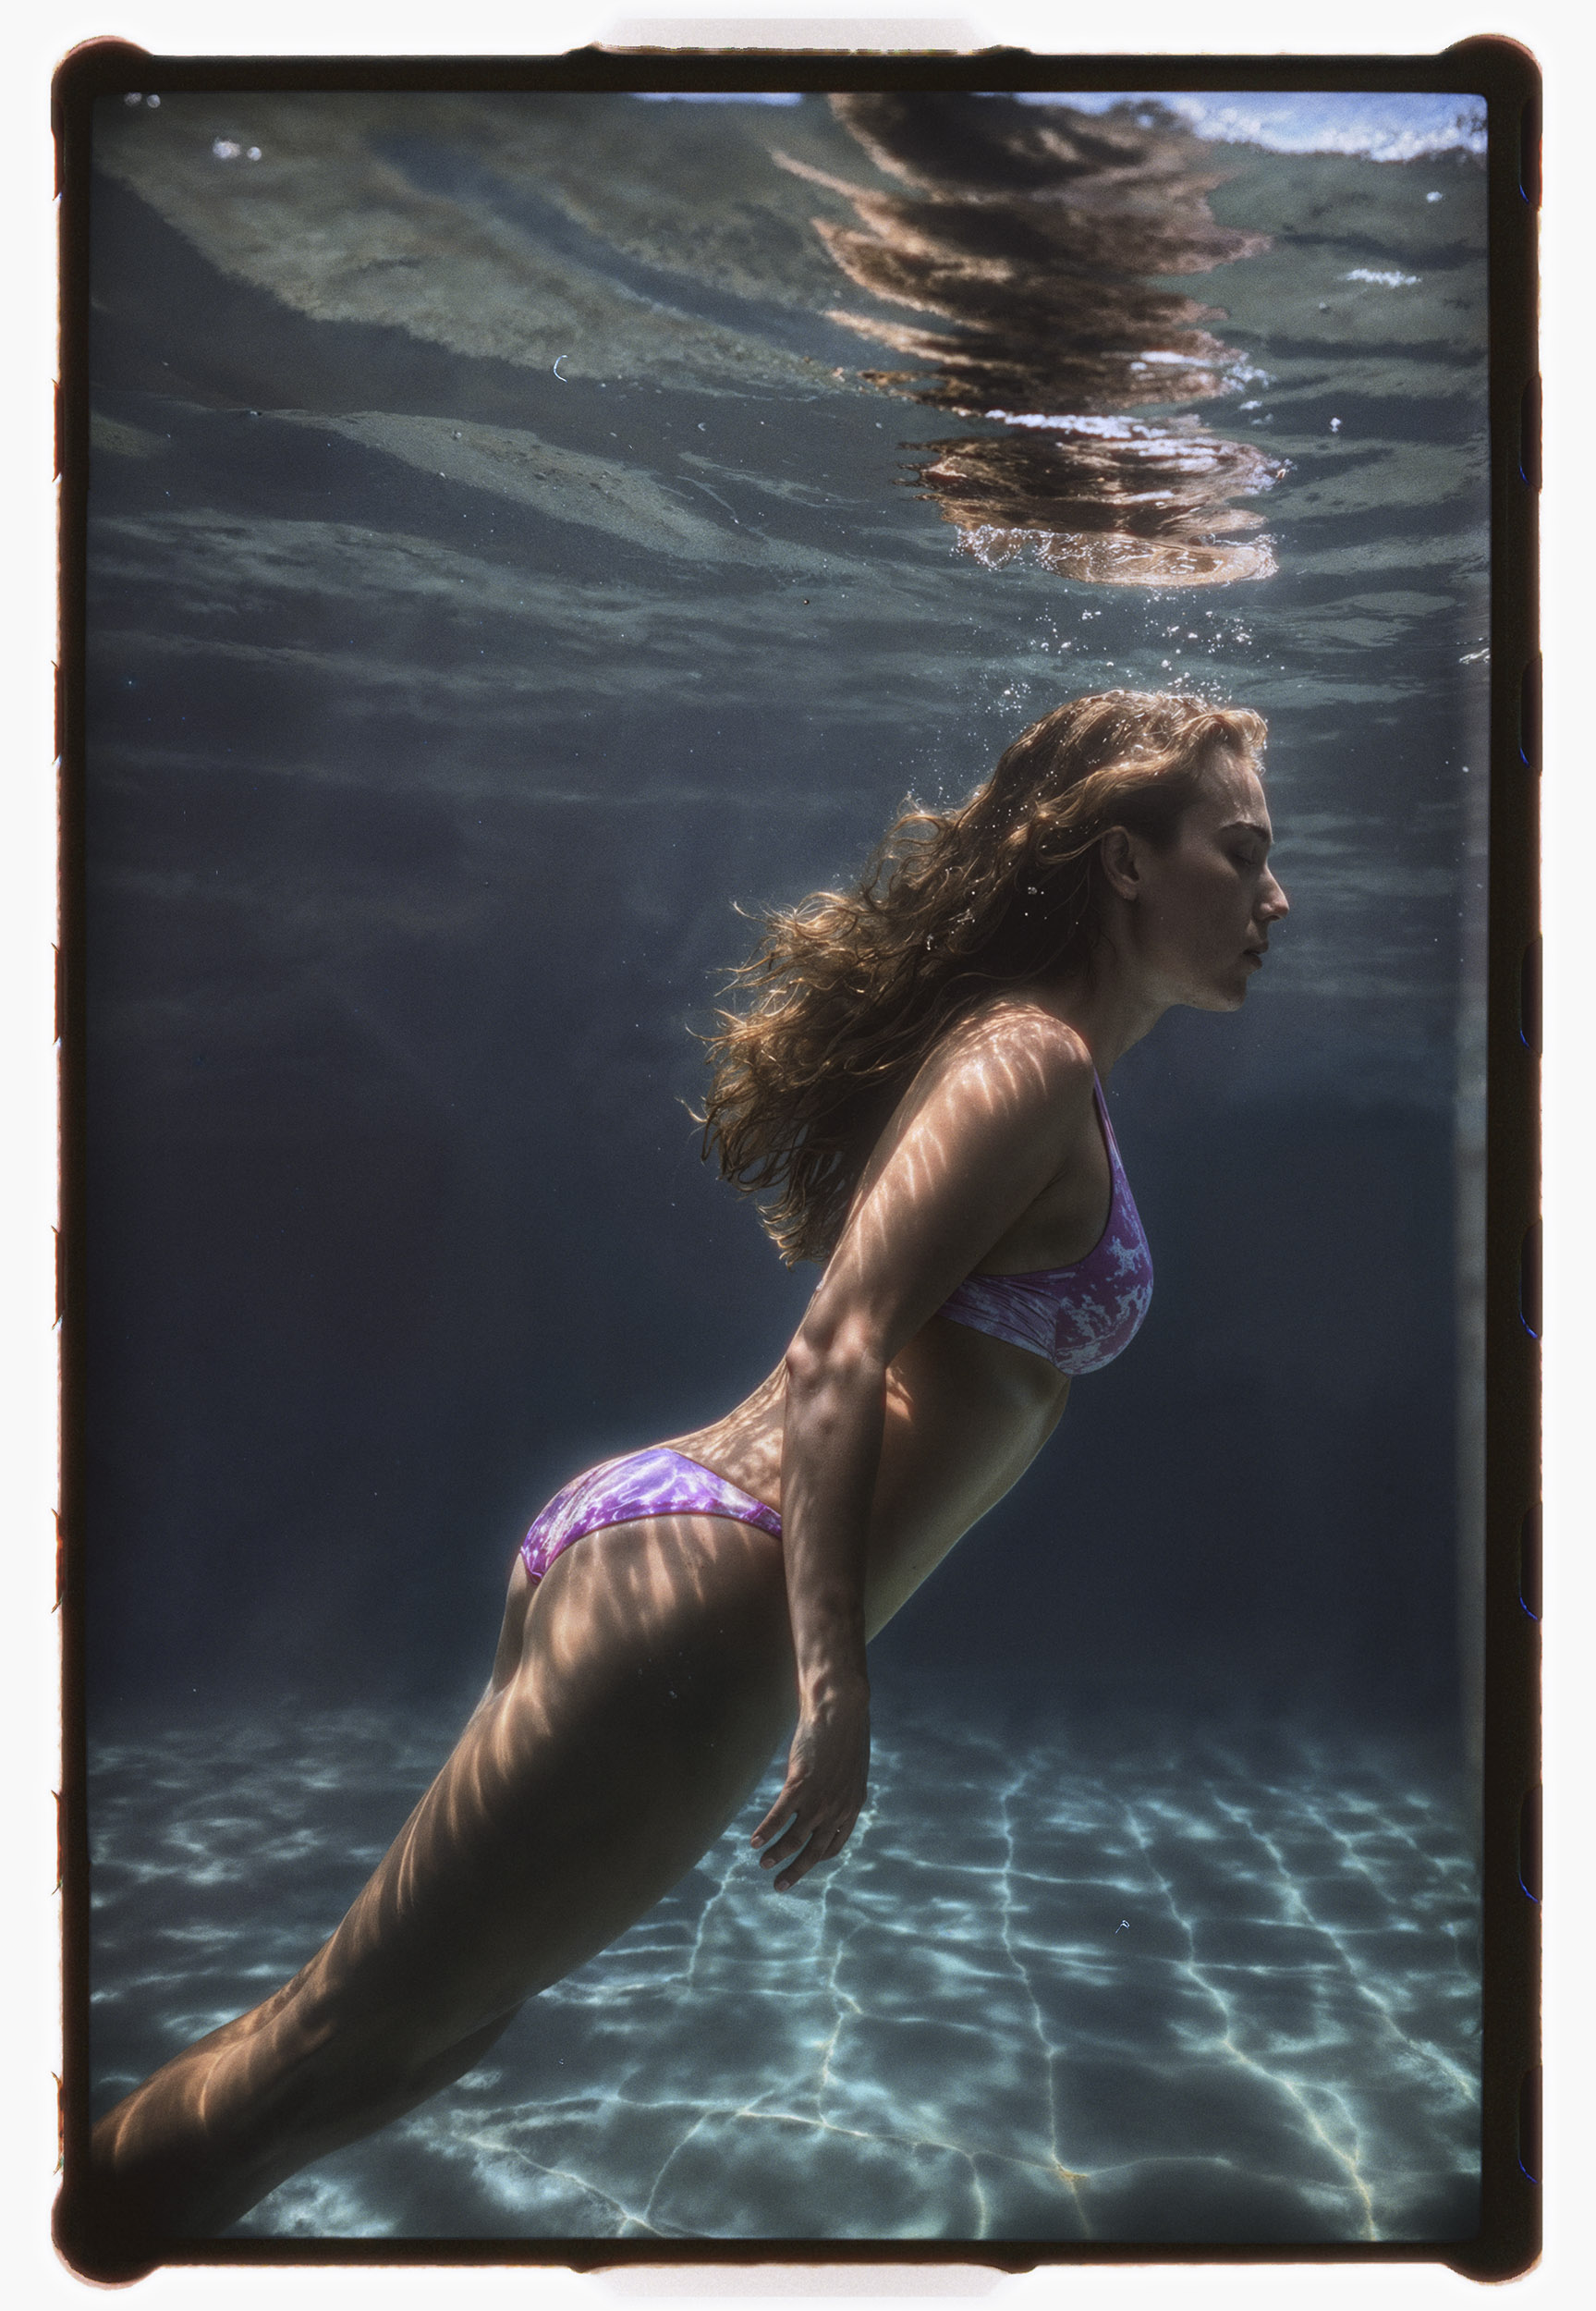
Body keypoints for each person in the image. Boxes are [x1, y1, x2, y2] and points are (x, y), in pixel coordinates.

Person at [83, 688, 1288, 2244]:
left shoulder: (1041, 1064)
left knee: (406, 2055)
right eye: (1241, 849)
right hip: (704, 1599)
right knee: (319, 2061)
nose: (1275, 895)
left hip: (671, 1571)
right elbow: (842, 1344)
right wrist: (834, 1678)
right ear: (1125, 864)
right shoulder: (1029, 1060)